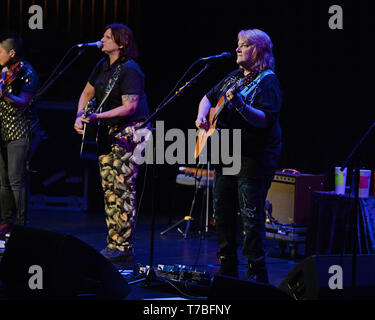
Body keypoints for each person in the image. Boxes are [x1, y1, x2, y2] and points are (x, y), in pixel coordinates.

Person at [195, 29, 282, 283]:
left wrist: (242, 107)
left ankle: (257, 271)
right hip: (227, 152)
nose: (237, 49)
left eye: (244, 45)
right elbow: (207, 98)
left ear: (258, 50)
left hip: (254, 155)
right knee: (221, 210)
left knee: (250, 214)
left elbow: (266, 118)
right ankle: (227, 264)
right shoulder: (233, 77)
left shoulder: (267, 81)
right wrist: (202, 116)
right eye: (238, 44)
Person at [74, 23, 149, 262]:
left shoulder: (130, 70)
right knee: (110, 191)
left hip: (129, 134)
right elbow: (87, 93)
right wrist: (79, 115)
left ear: (121, 43)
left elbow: (131, 106)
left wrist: (97, 117)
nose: (102, 40)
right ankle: (113, 243)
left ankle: (124, 246)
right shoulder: (102, 66)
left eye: (107, 37)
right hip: (107, 134)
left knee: (123, 189)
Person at [0, 34, 39, 235]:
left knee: (16, 180)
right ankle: (6, 221)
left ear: (12, 53)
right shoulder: (4, 71)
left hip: (20, 131)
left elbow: (24, 101)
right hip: (3, 131)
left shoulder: (27, 73)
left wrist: (5, 95)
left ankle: (22, 226)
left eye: (0, 51)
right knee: (3, 181)